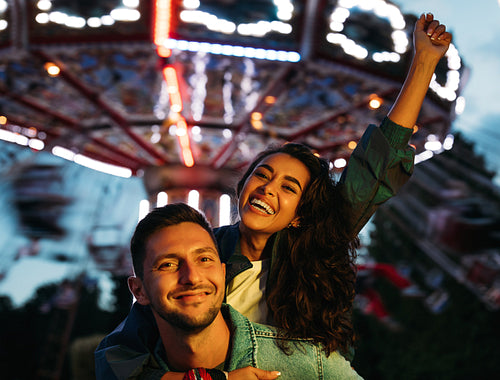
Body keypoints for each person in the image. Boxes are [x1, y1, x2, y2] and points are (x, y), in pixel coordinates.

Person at [95, 12, 452, 379]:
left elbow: (374, 167)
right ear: (243, 185)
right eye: (262, 175)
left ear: (300, 214)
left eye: (288, 187)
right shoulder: (202, 257)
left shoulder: (313, 251)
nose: (268, 188)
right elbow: (115, 355)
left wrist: (423, 62)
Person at [96, 203, 363, 379]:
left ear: (223, 274)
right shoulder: (127, 356)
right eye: (168, 264)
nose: (191, 277)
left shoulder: (309, 365)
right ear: (138, 291)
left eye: (204, 259)